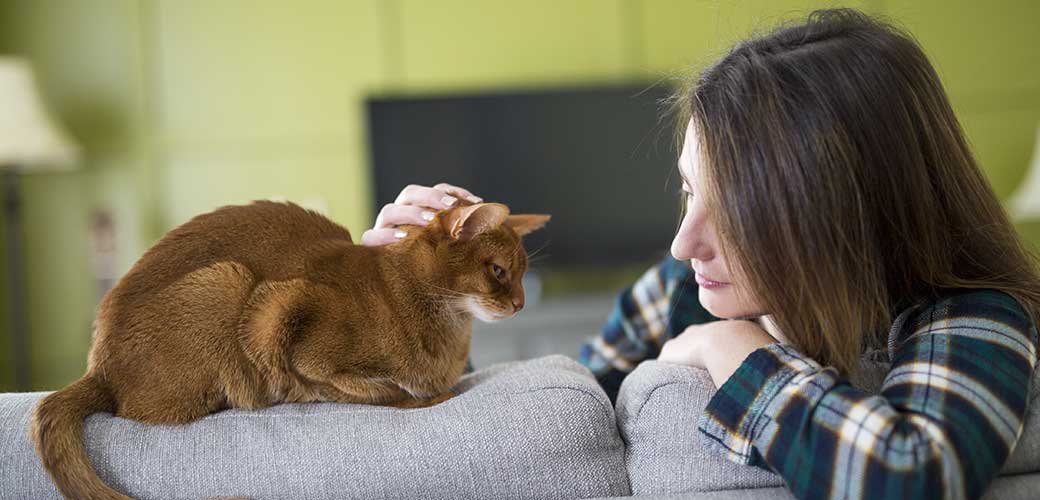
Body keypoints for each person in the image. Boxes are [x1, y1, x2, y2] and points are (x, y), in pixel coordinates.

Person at [362, 8, 1040, 499]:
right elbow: (550, 440)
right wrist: (404, 308)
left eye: (738, 210)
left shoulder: (971, 317)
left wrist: (733, 348)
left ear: (846, 210)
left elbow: (910, 478)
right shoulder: (673, 289)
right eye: (688, 192)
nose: (683, 243)